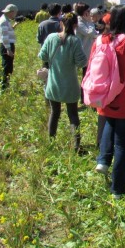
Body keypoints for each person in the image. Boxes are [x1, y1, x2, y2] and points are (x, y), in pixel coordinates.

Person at [94, 5, 125, 198]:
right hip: (124, 98)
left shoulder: (101, 40)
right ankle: (117, 189)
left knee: (108, 124)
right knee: (122, 143)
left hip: (105, 95)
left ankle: (103, 160)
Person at [38, 13, 87, 152]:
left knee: (55, 113)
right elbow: (82, 62)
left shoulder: (51, 38)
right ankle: (77, 146)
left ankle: (51, 142)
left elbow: (43, 56)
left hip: (53, 83)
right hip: (70, 84)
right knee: (73, 115)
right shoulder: (75, 41)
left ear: (61, 24)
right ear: (75, 25)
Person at [0, 4, 19, 90]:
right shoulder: (4, 21)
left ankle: (4, 84)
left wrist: (14, 26)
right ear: (11, 12)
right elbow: (4, 37)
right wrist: (8, 49)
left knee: (7, 66)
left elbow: (7, 32)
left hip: (7, 45)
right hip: (7, 46)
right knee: (6, 67)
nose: (15, 15)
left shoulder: (6, 20)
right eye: (15, 13)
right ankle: (3, 86)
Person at [75, 3, 97, 78]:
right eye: (88, 10)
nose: (89, 12)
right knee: (85, 73)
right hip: (83, 50)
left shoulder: (86, 21)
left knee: (87, 72)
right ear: (83, 12)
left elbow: (94, 33)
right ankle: (83, 89)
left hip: (88, 49)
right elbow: (90, 33)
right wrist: (91, 22)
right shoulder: (79, 22)